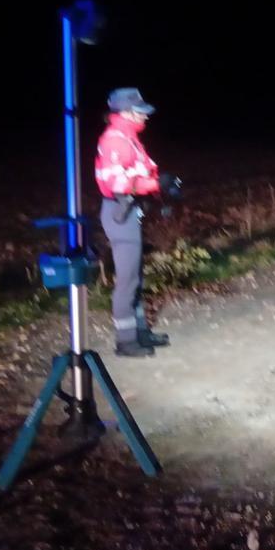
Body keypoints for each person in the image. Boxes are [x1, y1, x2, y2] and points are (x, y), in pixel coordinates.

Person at [94, 88, 179, 357]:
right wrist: (156, 183)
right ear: (126, 113)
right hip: (120, 213)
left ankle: (140, 332)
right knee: (128, 279)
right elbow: (117, 183)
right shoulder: (115, 141)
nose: (146, 116)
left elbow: (138, 174)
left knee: (136, 278)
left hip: (130, 212)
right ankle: (126, 341)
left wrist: (163, 186)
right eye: (141, 111)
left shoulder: (128, 138)